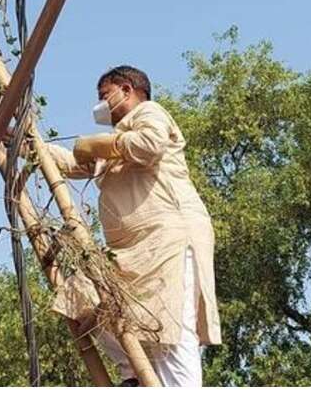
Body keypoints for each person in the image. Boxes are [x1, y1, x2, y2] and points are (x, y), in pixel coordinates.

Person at [44, 65, 221, 387]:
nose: (100, 104)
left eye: (104, 95)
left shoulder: (149, 113)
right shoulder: (115, 142)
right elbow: (72, 163)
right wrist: (27, 141)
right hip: (129, 249)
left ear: (126, 89)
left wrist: (97, 144)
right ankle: (134, 374)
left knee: (170, 328)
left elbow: (149, 145)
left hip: (166, 238)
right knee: (83, 295)